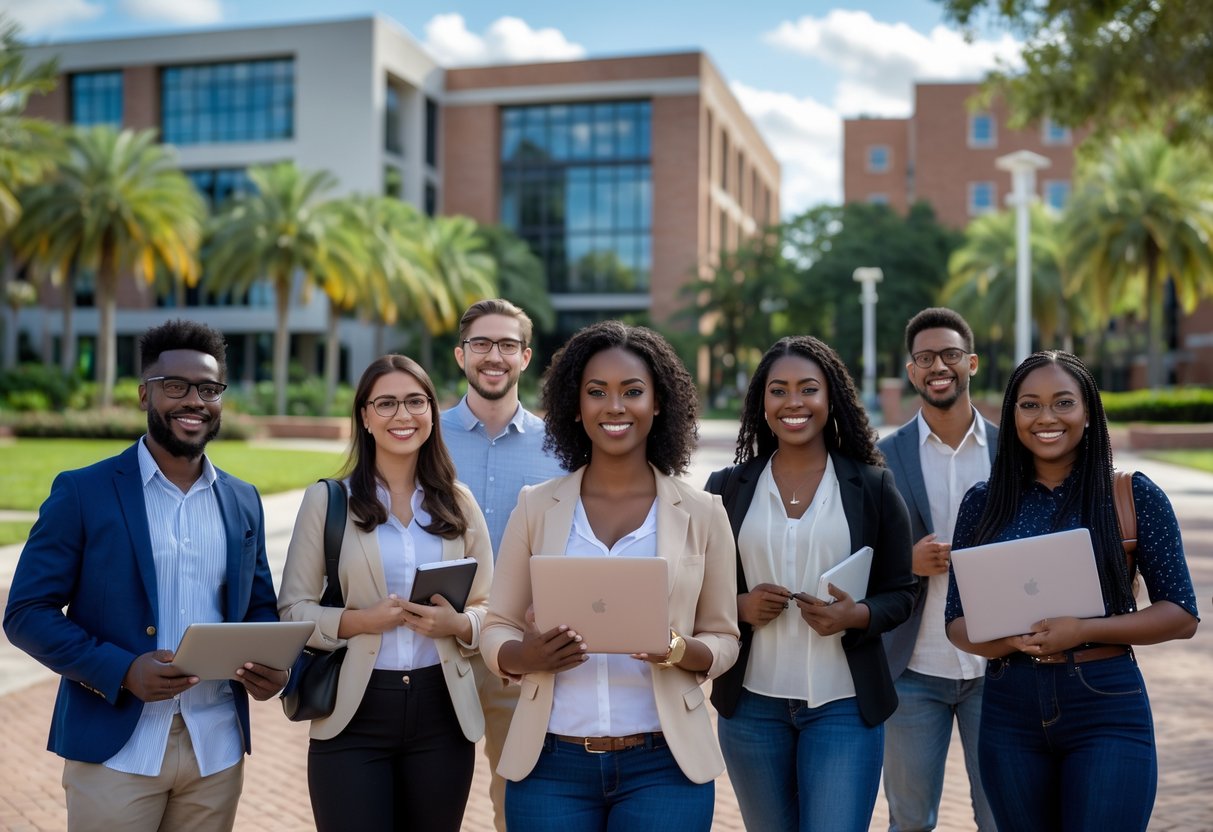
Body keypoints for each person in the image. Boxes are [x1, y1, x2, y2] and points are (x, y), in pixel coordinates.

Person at [3, 319, 286, 832]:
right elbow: (26, 613)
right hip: (115, 747)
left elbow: (259, 607)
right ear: (143, 394)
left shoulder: (243, 500)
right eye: (175, 387)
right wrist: (122, 669)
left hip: (215, 747)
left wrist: (276, 670)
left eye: (208, 388)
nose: (193, 401)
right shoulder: (83, 492)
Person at [481, 320, 739, 832]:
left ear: (658, 403)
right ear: (575, 408)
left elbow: (725, 638)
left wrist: (675, 649)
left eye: (632, 392)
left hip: (664, 764)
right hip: (550, 764)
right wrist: (523, 655)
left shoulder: (704, 513)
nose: (614, 406)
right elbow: (496, 624)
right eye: (596, 392)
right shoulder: (536, 508)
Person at [945, 350, 1200, 832]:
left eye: (1063, 403)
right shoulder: (983, 503)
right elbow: (957, 623)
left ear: (1088, 412)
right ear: (1012, 414)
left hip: (1104, 700)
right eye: (1029, 405)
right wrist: (1011, 641)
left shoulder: (1132, 494)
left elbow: (1181, 614)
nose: (1046, 418)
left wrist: (1081, 629)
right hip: (1008, 705)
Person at [706, 334, 916, 832]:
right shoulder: (725, 488)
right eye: (778, 390)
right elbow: (693, 589)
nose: (793, 402)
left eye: (808, 389)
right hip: (752, 706)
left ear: (830, 399)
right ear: (762, 402)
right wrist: (738, 605)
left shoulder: (872, 484)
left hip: (844, 705)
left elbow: (904, 591)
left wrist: (856, 615)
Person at [278, 354, 493, 832]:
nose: (403, 415)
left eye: (416, 401)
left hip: (443, 712)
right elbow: (292, 611)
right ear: (365, 416)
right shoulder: (328, 501)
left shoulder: (459, 502)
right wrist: (359, 622)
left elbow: (490, 607)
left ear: (433, 413)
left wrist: (456, 624)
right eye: (387, 403)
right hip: (354, 714)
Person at [440, 298, 564, 832]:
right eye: (482, 344)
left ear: (526, 356)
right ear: (460, 354)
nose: (495, 356)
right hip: (433, 644)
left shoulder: (561, 447)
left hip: (519, 646)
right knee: (427, 798)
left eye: (507, 345)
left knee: (519, 805)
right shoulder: (420, 435)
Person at [878, 308, 997, 831]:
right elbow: (853, 555)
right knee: (910, 821)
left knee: (1001, 816)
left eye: (950, 355)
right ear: (912, 371)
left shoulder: (1008, 450)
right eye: (925, 358)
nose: (938, 367)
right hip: (911, 672)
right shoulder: (881, 457)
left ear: (970, 362)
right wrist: (906, 562)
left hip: (998, 667)